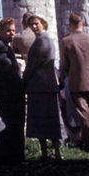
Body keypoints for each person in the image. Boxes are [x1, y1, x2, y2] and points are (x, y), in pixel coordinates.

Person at [24, 15, 63, 159]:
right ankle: (51, 153)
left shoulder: (41, 41)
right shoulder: (45, 40)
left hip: (40, 85)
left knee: (42, 121)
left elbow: (32, 65)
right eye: (31, 25)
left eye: (36, 24)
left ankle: (49, 154)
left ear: (43, 24)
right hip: (46, 85)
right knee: (49, 121)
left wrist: (24, 81)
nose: (34, 27)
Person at [59, 13, 89, 152]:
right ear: (83, 23)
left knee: (83, 114)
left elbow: (65, 64)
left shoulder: (66, 41)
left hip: (76, 81)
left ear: (70, 24)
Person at [0, 18, 26, 165]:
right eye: (8, 30)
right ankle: (13, 158)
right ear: (0, 31)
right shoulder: (1, 47)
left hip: (5, 92)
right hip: (9, 92)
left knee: (12, 125)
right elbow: (7, 70)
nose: (11, 33)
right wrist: (20, 83)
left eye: (13, 30)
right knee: (15, 125)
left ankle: (8, 156)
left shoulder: (1, 45)